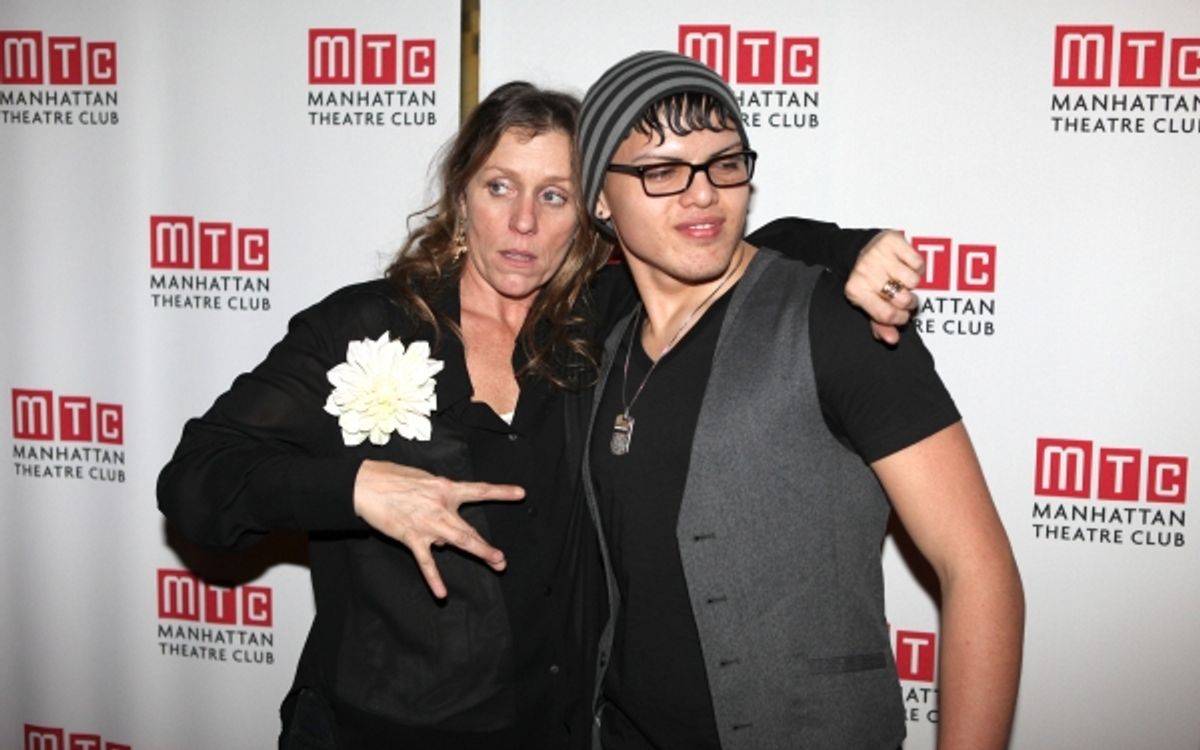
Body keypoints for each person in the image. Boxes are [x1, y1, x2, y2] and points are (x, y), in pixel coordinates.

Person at [157, 81, 922, 749]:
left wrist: (844, 247)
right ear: (462, 196)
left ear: (591, 213)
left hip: (554, 729)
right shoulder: (359, 327)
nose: (523, 222)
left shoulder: (607, 319)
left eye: (553, 195)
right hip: (374, 730)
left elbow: (721, 246)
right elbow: (196, 482)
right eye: (500, 187)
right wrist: (356, 489)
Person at [575, 51, 1025, 750]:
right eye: (661, 170)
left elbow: (978, 568)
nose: (703, 195)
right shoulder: (600, 331)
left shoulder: (839, 321)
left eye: (725, 164)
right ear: (600, 196)